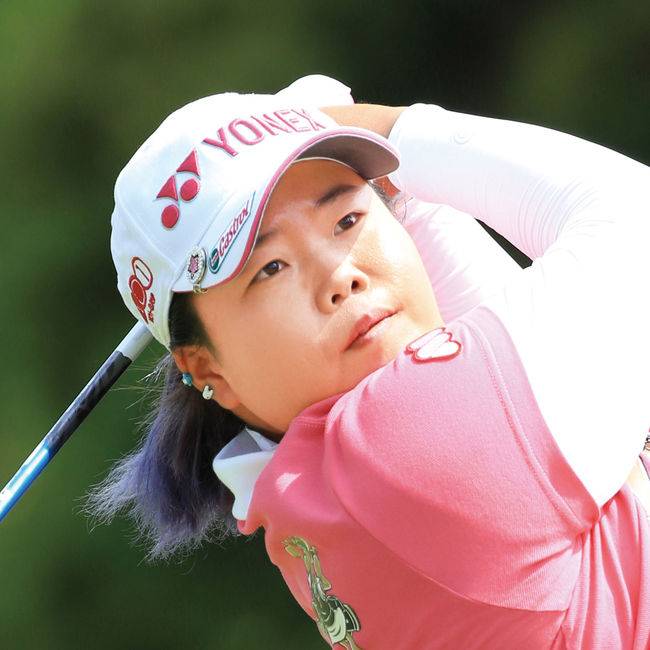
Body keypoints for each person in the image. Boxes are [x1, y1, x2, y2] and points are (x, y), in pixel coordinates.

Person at [89, 75, 650, 649]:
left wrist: (359, 168)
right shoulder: (406, 439)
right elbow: (637, 212)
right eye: (271, 268)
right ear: (208, 370)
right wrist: (384, 126)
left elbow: (459, 322)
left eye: (347, 220)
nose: (339, 275)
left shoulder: (301, 501)